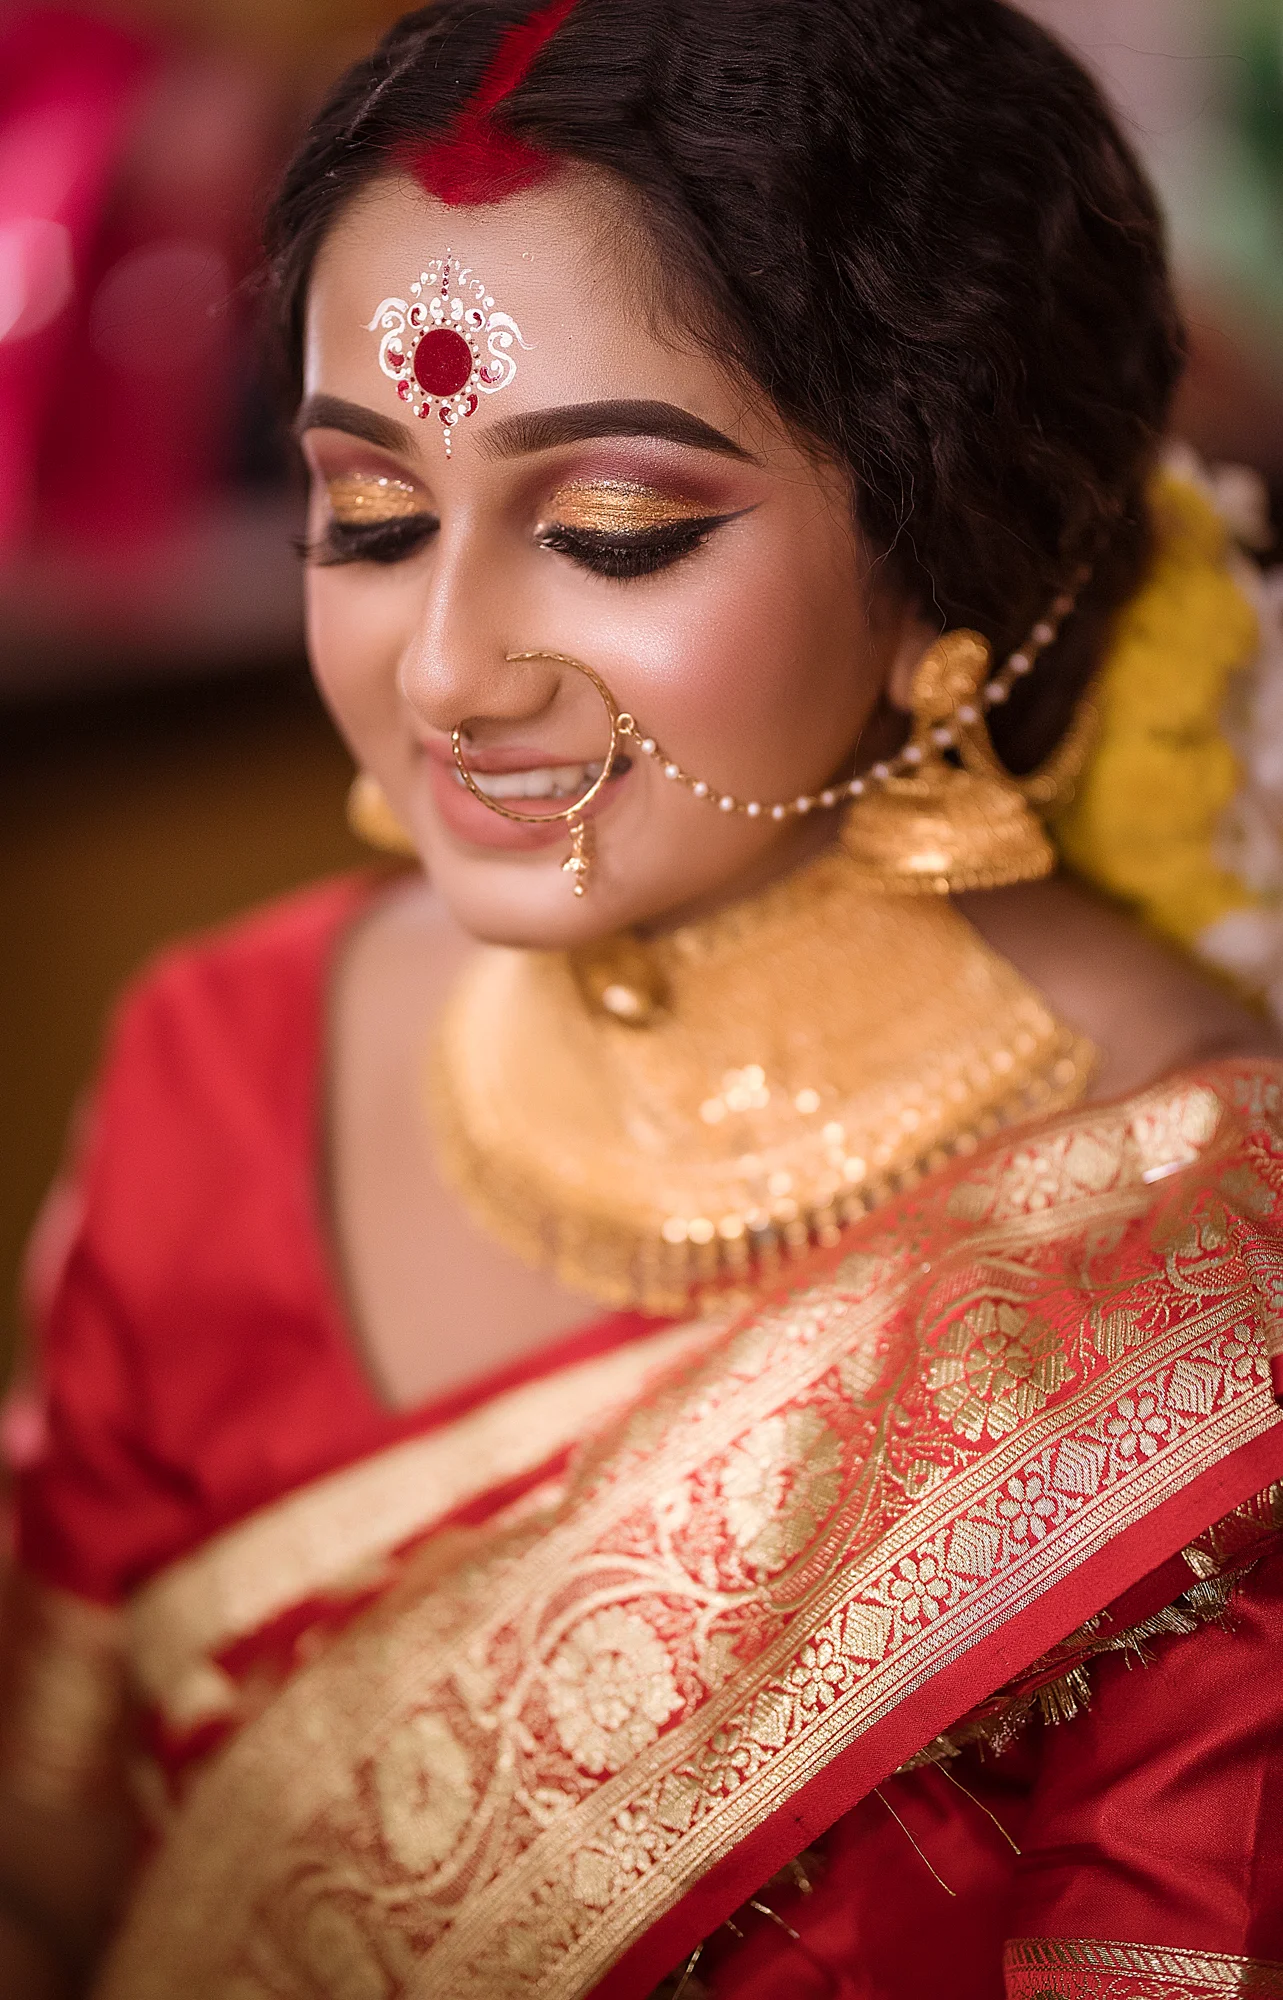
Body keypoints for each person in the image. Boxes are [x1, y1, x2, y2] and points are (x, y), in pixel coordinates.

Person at [3, 1, 1283, 1993]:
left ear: (949, 551)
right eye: (369, 516)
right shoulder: (227, 1051)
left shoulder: (1193, 1286)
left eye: (610, 533)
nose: (442, 669)